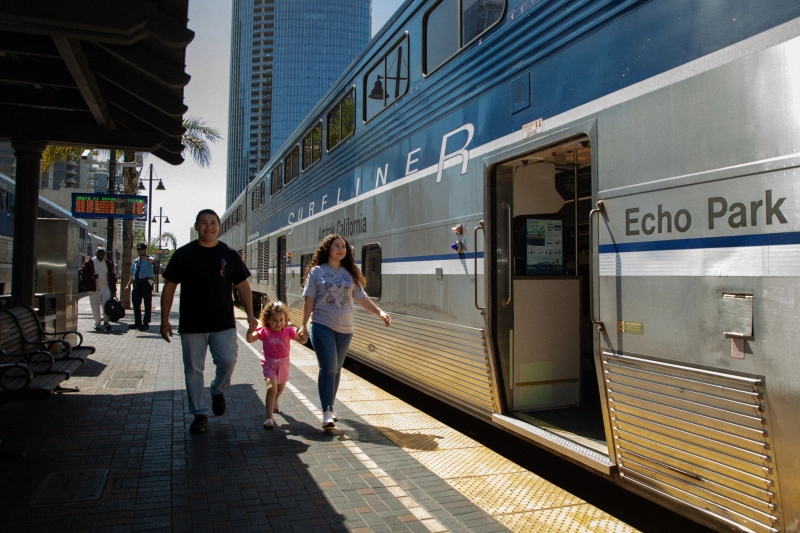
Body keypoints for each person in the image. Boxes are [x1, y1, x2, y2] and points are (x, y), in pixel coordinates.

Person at [160, 209, 259, 434]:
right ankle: (199, 414)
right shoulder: (183, 254)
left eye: (213, 223)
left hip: (223, 322)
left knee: (228, 361)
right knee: (193, 370)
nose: (209, 227)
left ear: (219, 227)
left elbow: (243, 285)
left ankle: (217, 390)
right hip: (191, 324)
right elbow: (170, 286)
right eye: (204, 223)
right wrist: (165, 320)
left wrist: (251, 314)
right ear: (197, 227)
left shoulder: (229, 254)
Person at [298, 234, 391, 430]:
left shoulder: (349, 273)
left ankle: (330, 407)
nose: (341, 249)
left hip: (346, 329)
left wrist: (379, 312)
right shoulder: (316, 272)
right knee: (328, 368)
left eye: (343, 246)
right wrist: (303, 324)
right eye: (336, 246)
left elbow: (362, 298)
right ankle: (327, 412)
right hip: (322, 324)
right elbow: (309, 299)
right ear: (327, 249)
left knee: (337, 369)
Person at [247, 301, 308, 429]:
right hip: (269, 364)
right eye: (275, 320)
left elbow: (301, 340)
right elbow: (250, 339)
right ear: (268, 320)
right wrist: (249, 331)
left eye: (281, 320)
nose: (278, 323)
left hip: (283, 365)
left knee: (279, 389)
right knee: (271, 388)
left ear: (285, 319)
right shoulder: (264, 331)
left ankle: (275, 400)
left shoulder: (288, 331)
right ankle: (269, 418)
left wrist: (304, 337)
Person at [80, 246, 118, 331]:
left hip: (105, 288)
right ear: (96, 253)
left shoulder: (108, 263)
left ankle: (106, 321)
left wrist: (113, 290)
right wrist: (91, 277)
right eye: (99, 252)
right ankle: (97, 322)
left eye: (102, 253)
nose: (101, 254)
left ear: (105, 254)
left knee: (106, 305)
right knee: (95, 306)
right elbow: (83, 273)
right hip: (94, 289)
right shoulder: (90, 262)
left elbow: (112, 277)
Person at [127, 242, 155, 332]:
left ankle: (146, 323)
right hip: (137, 283)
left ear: (145, 250)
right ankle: (137, 322)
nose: (140, 251)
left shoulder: (149, 258)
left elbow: (153, 261)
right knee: (136, 304)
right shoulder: (136, 261)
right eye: (138, 249)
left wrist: (146, 258)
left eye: (142, 249)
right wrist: (128, 285)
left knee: (147, 304)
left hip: (146, 283)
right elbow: (132, 274)